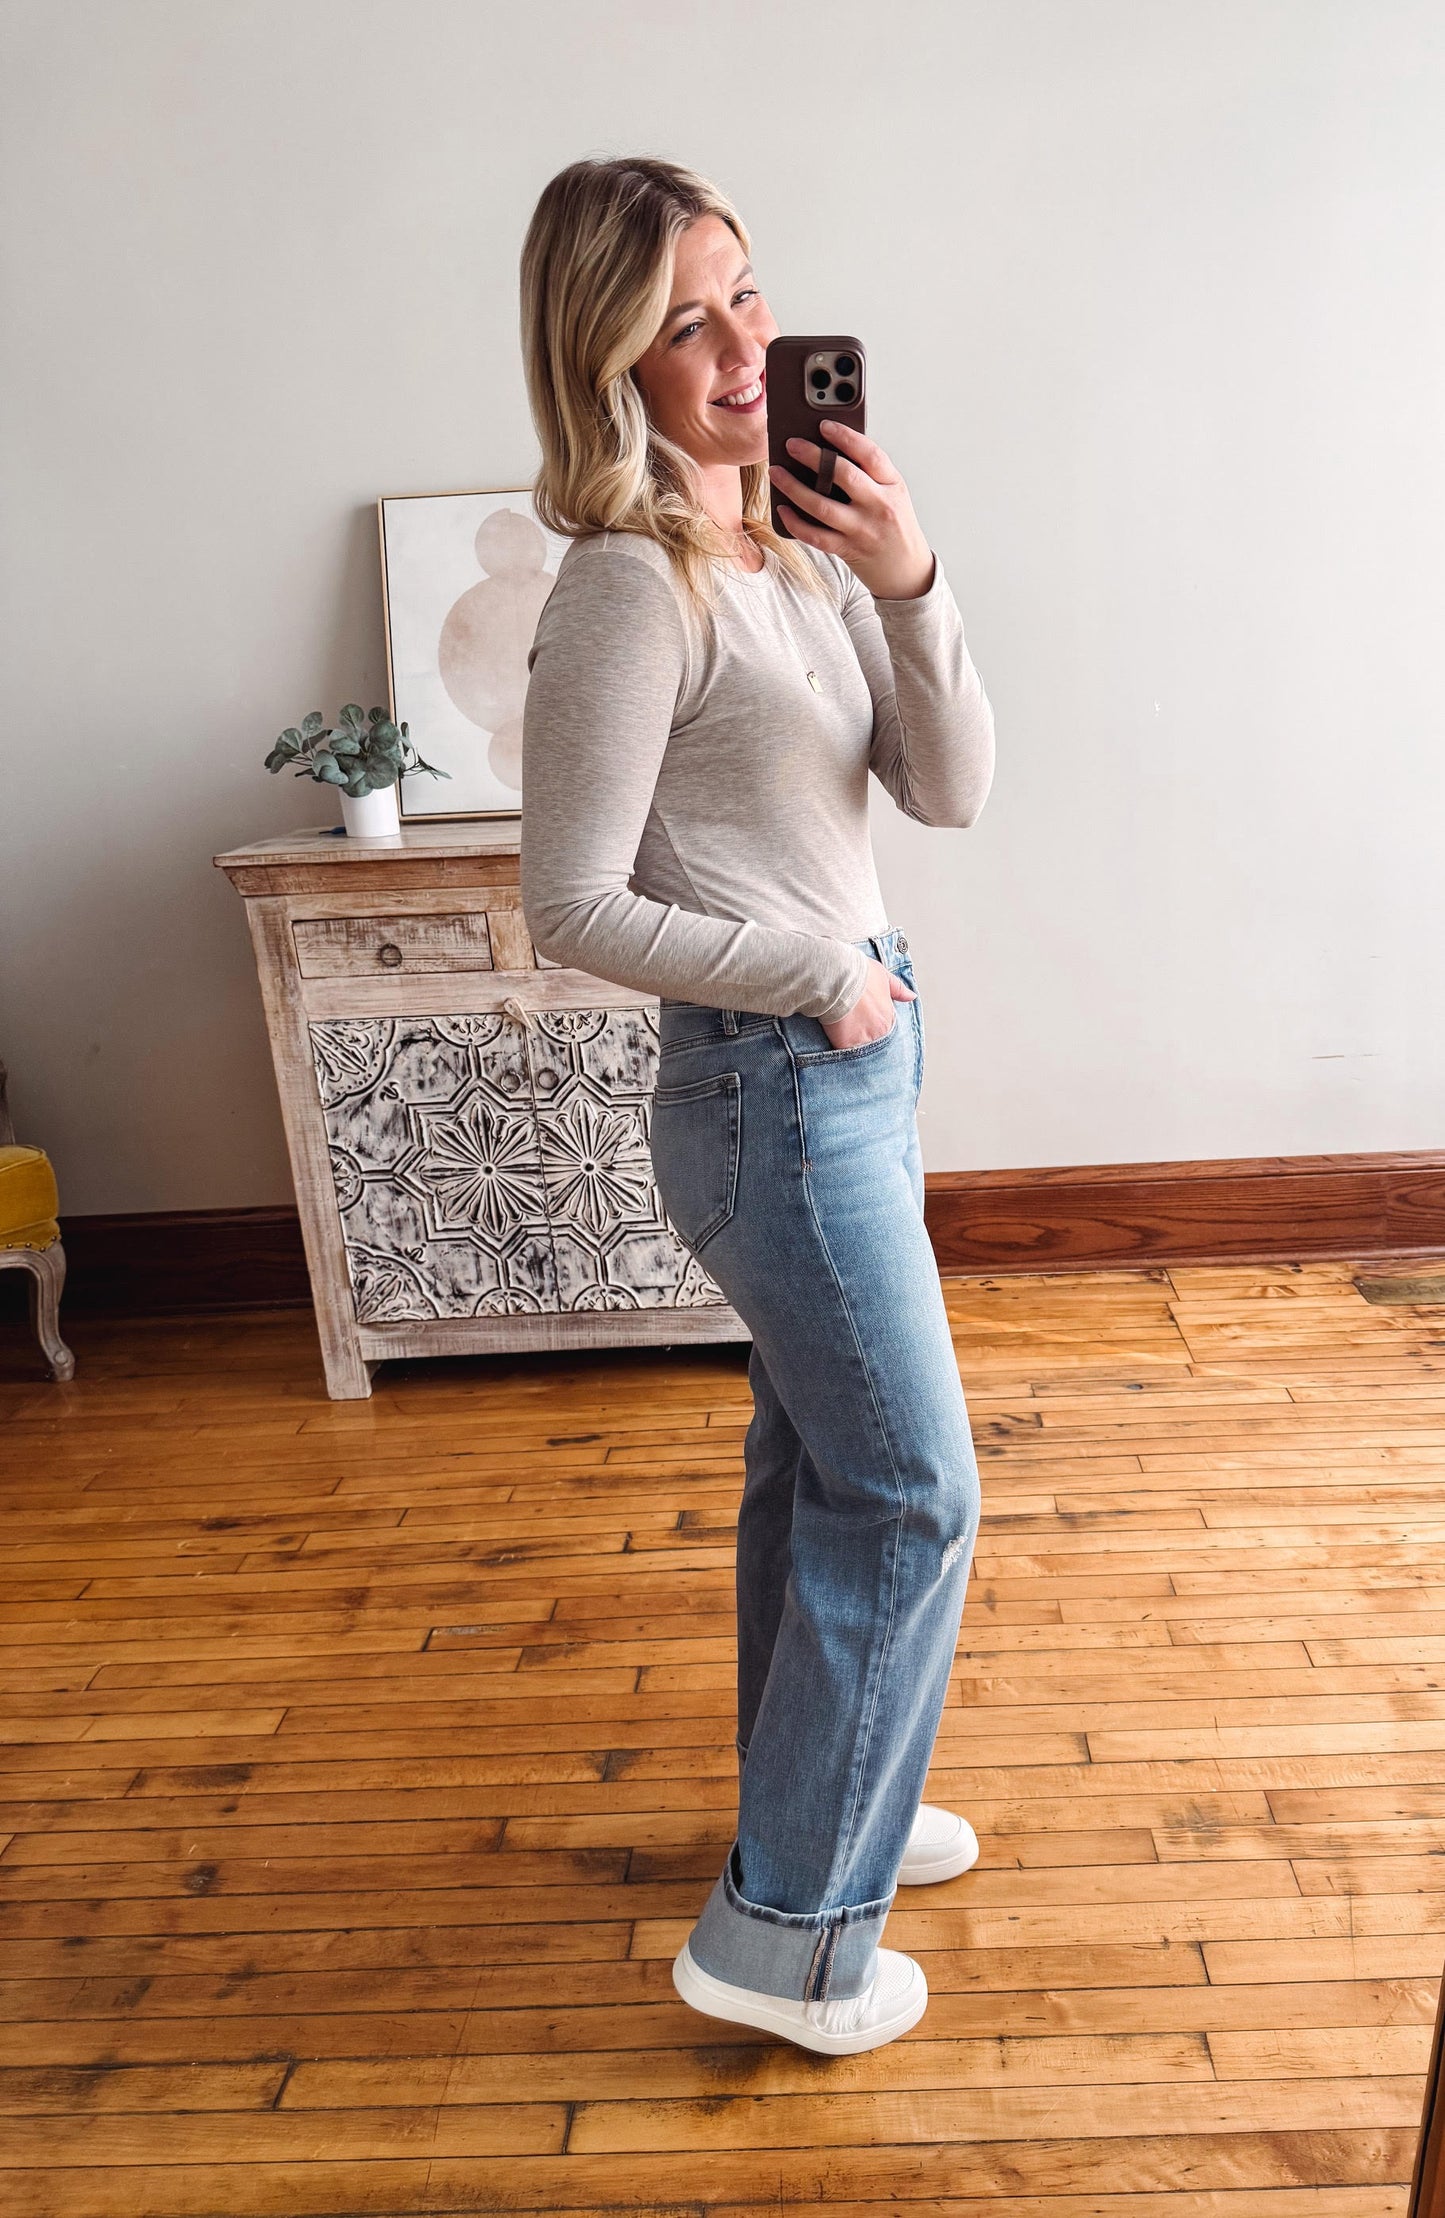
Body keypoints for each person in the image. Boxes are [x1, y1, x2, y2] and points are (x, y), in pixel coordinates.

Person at [518, 156, 996, 2056]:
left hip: (851, 1068)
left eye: (745, 295)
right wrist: (813, 974)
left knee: (816, 1471)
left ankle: (824, 1808)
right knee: (913, 1486)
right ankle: (787, 1938)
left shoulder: (788, 555)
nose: (739, 347)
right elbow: (567, 906)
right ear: (606, 356)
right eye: (683, 319)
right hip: (769, 1090)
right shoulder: (630, 586)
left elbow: (947, 792)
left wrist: (911, 580)